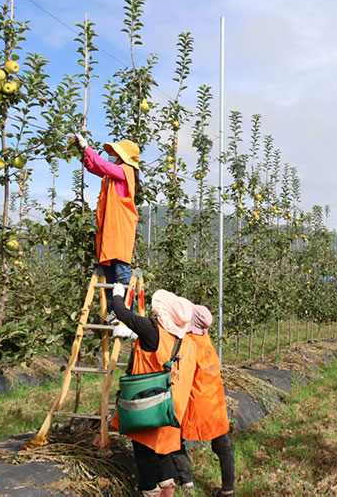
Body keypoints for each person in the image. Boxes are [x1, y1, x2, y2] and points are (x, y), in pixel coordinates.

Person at [111, 285, 197, 497]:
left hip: (148, 403)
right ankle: (167, 490)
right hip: (172, 407)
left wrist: (117, 293)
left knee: (145, 455)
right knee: (163, 452)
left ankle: (150, 491)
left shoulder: (151, 329)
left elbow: (121, 312)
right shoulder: (187, 341)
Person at [169, 305, 234, 496]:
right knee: (223, 447)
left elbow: (179, 374)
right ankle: (228, 490)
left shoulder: (188, 343)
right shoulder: (205, 339)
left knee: (174, 439)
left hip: (196, 403)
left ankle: (186, 481)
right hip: (216, 402)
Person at [76, 132, 141, 308]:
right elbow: (94, 167)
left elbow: (101, 164)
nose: (112, 156)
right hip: (110, 232)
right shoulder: (113, 175)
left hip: (120, 231)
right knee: (110, 274)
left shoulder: (124, 171)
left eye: (115, 153)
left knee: (122, 273)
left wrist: (86, 147)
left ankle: (128, 313)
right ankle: (115, 311)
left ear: (123, 157)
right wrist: (82, 153)